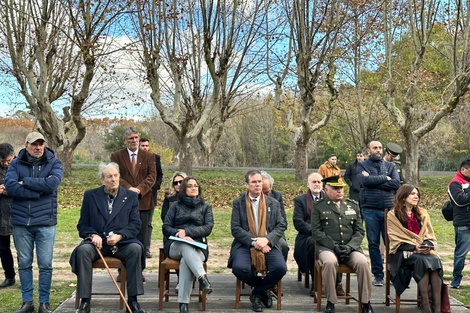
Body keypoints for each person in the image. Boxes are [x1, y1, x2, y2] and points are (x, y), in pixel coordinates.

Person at [69, 162, 146, 313]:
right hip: (98, 244)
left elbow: (136, 224)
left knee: (136, 249)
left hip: (122, 243)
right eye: (109, 176)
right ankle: (85, 301)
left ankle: (133, 301)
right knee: (83, 251)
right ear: (102, 180)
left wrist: (120, 235)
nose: (113, 179)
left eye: (116, 176)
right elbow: (83, 224)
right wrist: (93, 235)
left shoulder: (130, 196)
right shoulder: (90, 196)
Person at [5, 132, 63, 313]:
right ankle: (27, 302)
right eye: (34, 144)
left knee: (45, 264)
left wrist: (26, 182)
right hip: (21, 222)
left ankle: (44, 303)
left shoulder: (54, 163)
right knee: (24, 263)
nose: (38, 147)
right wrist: (38, 191)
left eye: (41, 144)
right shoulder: (15, 163)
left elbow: (52, 185)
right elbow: (11, 187)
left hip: (45, 222)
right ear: (26, 145)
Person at [311, 175, 374, 313]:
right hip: (328, 247)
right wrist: (334, 246)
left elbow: (359, 231)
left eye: (341, 188)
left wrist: (350, 247)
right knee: (329, 262)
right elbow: (316, 232)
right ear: (326, 190)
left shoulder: (352, 205)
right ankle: (331, 301)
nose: (340, 191)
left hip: (350, 248)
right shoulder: (319, 206)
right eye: (335, 188)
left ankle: (366, 302)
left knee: (363, 263)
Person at [228, 170, 287, 313]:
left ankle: (257, 292)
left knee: (280, 268)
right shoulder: (239, 203)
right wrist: (255, 242)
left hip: (268, 244)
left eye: (259, 182)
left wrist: (266, 240)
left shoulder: (273, 203)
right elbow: (235, 228)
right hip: (245, 244)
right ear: (246, 185)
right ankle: (264, 291)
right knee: (240, 268)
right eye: (254, 182)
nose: (257, 185)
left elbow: (281, 225)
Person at [387, 184, 443, 313]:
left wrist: (427, 246)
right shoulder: (393, 215)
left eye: (417, 194)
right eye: (412, 194)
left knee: (435, 260)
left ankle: (437, 307)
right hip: (403, 252)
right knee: (422, 261)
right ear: (403, 196)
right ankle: (425, 304)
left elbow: (429, 234)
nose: (416, 196)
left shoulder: (422, 213)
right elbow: (395, 239)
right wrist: (414, 247)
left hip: (422, 250)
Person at [162, 176, 214, 313]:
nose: (193, 188)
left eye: (195, 186)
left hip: (198, 246)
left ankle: (183, 305)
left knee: (186, 260)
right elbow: (166, 227)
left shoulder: (206, 207)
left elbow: (208, 228)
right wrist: (179, 234)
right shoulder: (175, 207)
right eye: (190, 186)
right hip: (176, 245)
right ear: (184, 189)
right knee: (185, 246)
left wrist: (188, 232)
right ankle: (202, 277)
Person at [111, 127, 156, 281]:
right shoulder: (117, 156)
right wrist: (129, 188)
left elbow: (152, 176)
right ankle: (121, 270)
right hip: (122, 202)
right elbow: (115, 175)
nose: (134, 141)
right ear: (125, 141)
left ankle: (138, 271)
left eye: (136, 137)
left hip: (144, 202)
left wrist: (139, 189)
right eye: (131, 138)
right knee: (122, 235)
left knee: (141, 237)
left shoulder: (149, 156)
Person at [358, 140, 400, 287]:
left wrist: (374, 181)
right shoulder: (363, 165)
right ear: (369, 150)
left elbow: (395, 184)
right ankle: (378, 275)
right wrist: (384, 178)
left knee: (391, 243)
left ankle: (394, 274)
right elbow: (364, 181)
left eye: (380, 148)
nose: (378, 150)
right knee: (373, 243)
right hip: (369, 209)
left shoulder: (390, 165)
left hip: (388, 210)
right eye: (375, 148)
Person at [293, 172, 327, 296]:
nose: (317, 184)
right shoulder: (300, 200)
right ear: (308, 184)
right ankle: (316, 281)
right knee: (313, 244)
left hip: (327, 234)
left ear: (322, 184)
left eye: (319, 182)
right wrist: (315, 231)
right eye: (314, 182)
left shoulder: (329, 198)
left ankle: (336, 283)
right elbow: (298, 222)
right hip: (307, 235)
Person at [139, 138, 163, 259]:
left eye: (147, 145)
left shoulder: (155, 158)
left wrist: (155, 187)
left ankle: (146, 247)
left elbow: (159, 174)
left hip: (150, 196)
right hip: (136, 195)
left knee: (148, 222)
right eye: (143, 145)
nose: (145, 147)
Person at [448, 159, 470, 289]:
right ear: (464, 169)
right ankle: (457, 277)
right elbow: (460, 200)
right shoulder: (455, 183)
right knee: (461, 253)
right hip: (463, 223)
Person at [260, 170, 289, 261]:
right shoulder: (246, 198)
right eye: (262, 192)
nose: (264, 196)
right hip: (254, 234)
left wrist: (269, 238)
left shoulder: (277, 196)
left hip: (274, 233)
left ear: (271, 188)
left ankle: (279, 271)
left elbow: (283, 221)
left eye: (267, 192)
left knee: (284, 246)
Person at [0, 143, 15, 288]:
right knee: (3, 249)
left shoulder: (20, 167)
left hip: (17, 213)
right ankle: (9, 276)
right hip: (1, 216)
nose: (5, 164)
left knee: (23, 250)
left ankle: (25, 277)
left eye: (8, 161)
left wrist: (8, 190)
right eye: (3, 161)